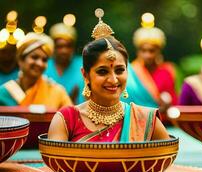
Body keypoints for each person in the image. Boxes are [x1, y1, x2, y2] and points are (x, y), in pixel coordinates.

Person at [48, 8, 170, 142]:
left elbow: (167, 162)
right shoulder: (66, 119)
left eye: (119, 70)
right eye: (102, 71)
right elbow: (54, 163)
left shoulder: (145, 119)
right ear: (85, 75)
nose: (113, 80)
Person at [0, 32, 72, 109]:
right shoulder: (4, 93)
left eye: (44, 60)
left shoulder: (56, 92)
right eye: (34, 57)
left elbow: (72, 118)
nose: (40, 63)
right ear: (20, 60)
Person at [130, 13, 177, 109]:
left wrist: (168, 100)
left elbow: (174, 99)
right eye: (143, 51)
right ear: (138, 51)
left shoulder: (167, 71)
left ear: (158, 51)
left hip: (162, 119)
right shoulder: (131, 72)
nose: (147, 55)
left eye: (151, 51)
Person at [44, 21, 84, 104]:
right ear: (53, 47)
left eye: (68, 46)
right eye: (59, 46)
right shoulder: (44, 64)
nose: (64, 51)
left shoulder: (83, 64)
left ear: (73, 47)